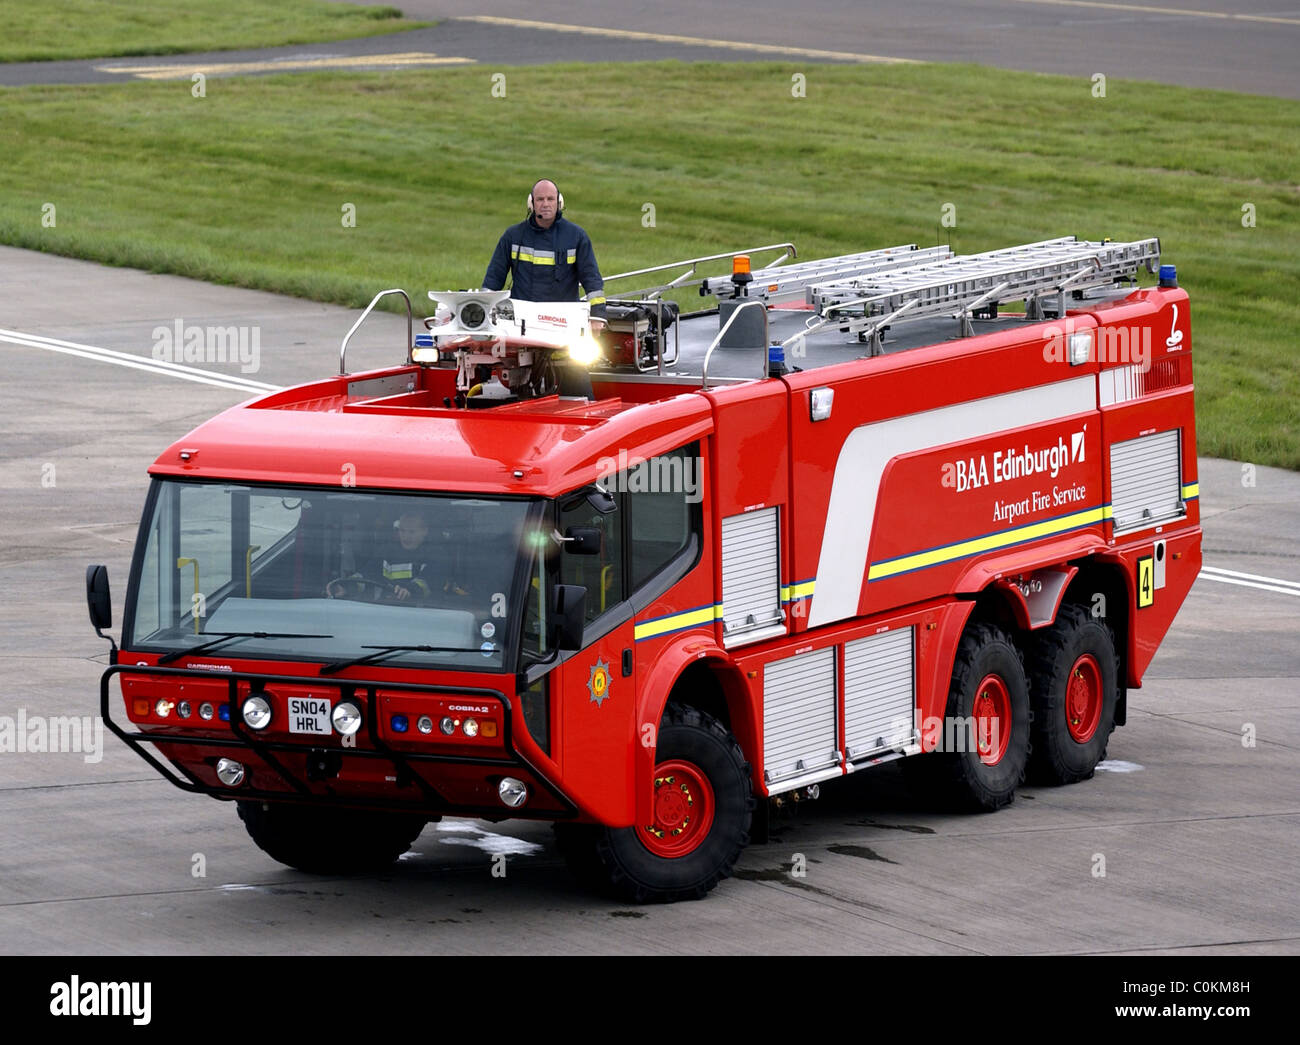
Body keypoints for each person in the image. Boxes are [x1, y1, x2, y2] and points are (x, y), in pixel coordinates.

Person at [483, 179, 607, 333]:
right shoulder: (513, 236)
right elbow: (494, 277)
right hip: (520, 323)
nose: (545, 204)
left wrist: (597, 316)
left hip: (563, 322)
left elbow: (591, 279)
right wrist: (482, 309)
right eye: (540, 199)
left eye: (550, 199)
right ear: (531, 203)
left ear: (559, 202)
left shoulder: (576, 237)